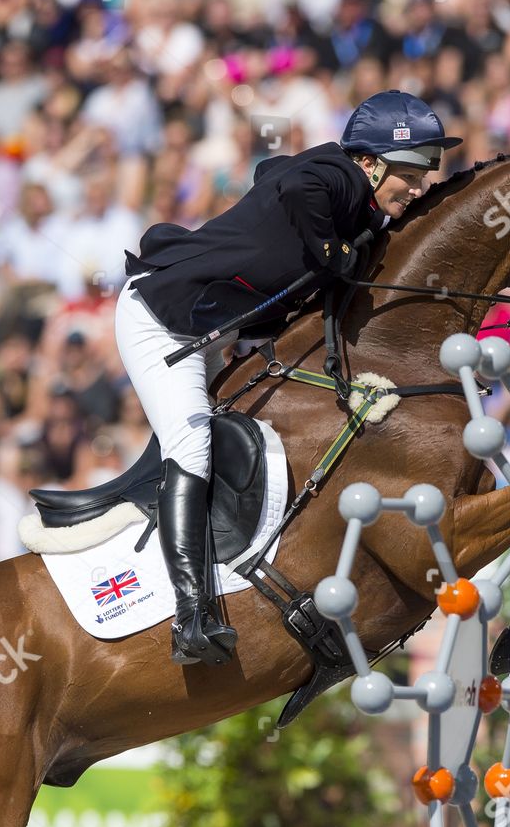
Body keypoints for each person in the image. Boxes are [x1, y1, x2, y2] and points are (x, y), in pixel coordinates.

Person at [111, 90, 461, 665]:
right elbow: (295, 183)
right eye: (413, 171)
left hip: (213, 327)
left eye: (428, 172)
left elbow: (270, 171)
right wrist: (335, 252)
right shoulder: (338, 173)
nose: (421, 185)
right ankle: (191, 616)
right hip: (160, 322)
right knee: (193, 444)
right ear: (371, 162)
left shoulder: (356, 196)